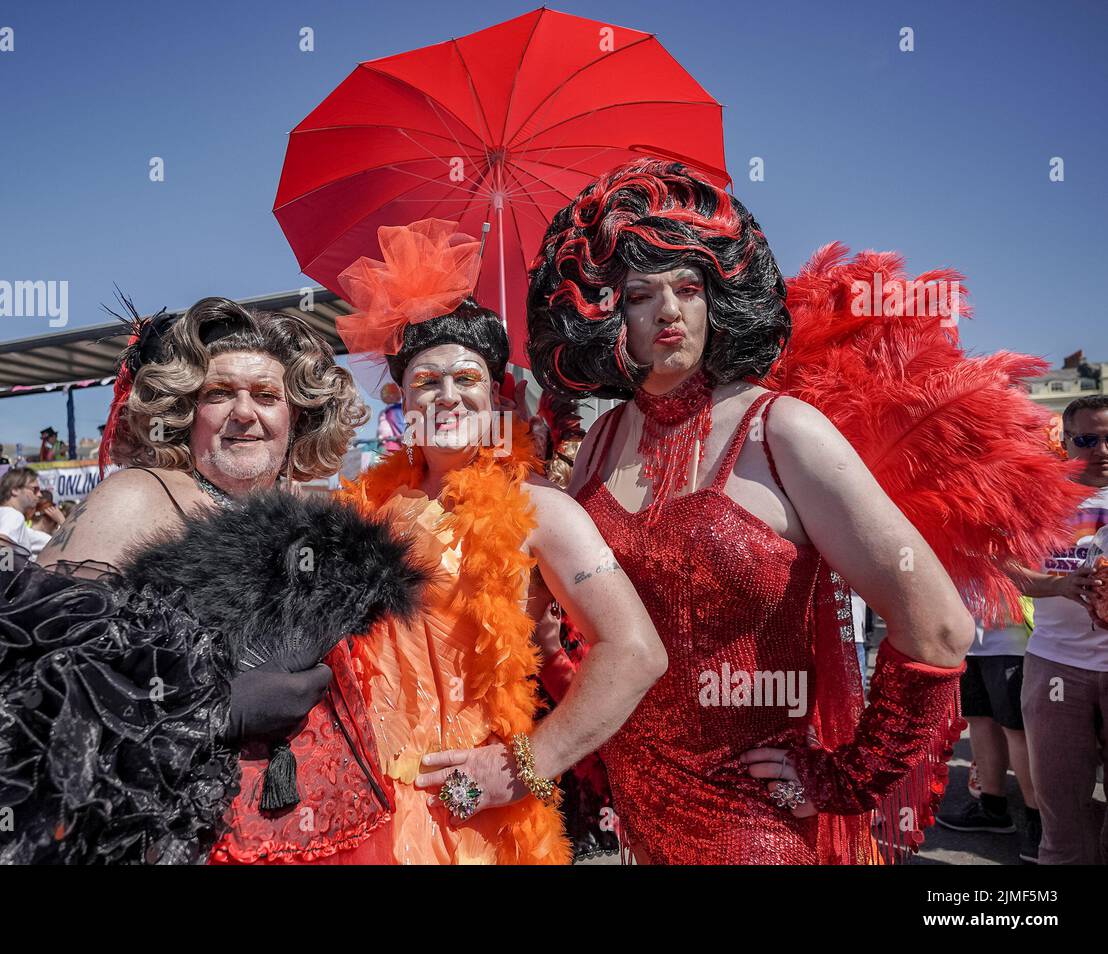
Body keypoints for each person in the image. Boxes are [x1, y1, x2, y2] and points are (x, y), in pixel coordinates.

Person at [0, 296, 420, 865]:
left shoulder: (312, 509)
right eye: (219, 394)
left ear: (298, 414)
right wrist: (214, 706)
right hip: (179, 839)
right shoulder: (137, 499)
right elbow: (21, 689)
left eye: (267, 395)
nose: (245, 413)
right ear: (185, 409)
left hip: (325, 831)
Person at [527, 159, 978, 864]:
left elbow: (941, 628)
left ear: (722, 297)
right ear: (607, 311)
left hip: (754, 827)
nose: (670, 312)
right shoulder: (597, 446)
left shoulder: (783, 430)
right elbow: (611, 650)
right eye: (642, 294)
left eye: (689, 287)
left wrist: (846, 776)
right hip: (636, 817)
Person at [333, 218, 667, 864]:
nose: (450, 396)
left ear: (494, 394)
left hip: (485, 824)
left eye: (468, 379)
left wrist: (524, 766)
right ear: (402, 398)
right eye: (429, 382)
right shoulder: (365, 511)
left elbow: (636, 651)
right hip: (374, 820)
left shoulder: (538, 506)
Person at [1012, 394, 1108, 864]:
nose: (1102, 450)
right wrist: (1056, 585)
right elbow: (1000, 562)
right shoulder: (1040, 498)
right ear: (1066, 441)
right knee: (1062, 818)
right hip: (1057, 665)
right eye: (1089, 439)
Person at [938, 615, 1039, 862]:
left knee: (1016, 730)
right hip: (967, 639)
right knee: (979, 719)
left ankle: (1039, 823)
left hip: (1011, 638)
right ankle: (992, 807)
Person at [0, 468, 58, 557]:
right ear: (15, 490)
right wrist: (7, 569)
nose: (39, 495)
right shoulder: (14, 516)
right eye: (35, 489)